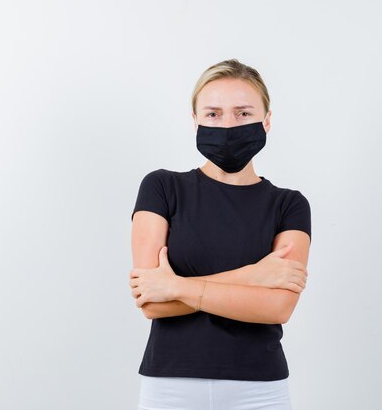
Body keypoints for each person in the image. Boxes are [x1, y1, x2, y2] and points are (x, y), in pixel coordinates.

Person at [128, 59, 312, 410]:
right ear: (195, 120)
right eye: (213, 114)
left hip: (260, 389)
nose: (228, 124)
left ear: (267, 120)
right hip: (170, 385)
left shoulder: (289, 205)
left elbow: (278, 306)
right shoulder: (162, 187)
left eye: (243, 113)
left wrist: (177, 286)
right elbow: (152, 302)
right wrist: (253, 276)